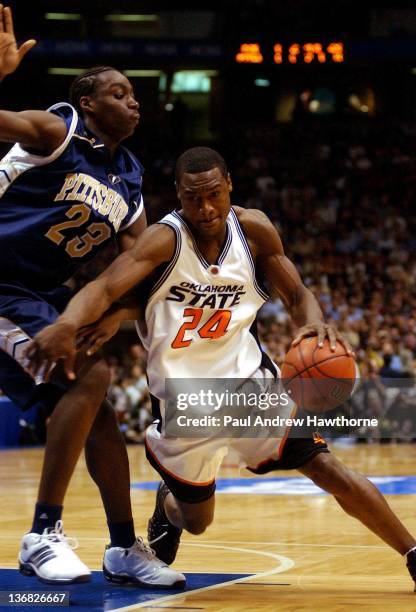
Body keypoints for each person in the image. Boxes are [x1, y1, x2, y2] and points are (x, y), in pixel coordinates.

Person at [26, 146, 416, 588]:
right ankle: (170, 504)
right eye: (194, 198)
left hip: (250, 383)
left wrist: (312, 325)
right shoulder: (164, 240)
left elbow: (297, 294)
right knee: (196, 521)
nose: (206, 207)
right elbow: (105, 286)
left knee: (326, 468)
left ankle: (412, 552)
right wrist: (71, 322)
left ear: (229, 184)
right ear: (178, 195)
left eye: (214, 194)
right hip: (185, 398)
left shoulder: (253, 230)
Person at [0, 5, 184, 588]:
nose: (134, 102)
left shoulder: (128, 182)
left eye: (135, 96)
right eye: (121, 93)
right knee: (92, 378)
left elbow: (143, 267)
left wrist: (119, 315)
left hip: (35, 297)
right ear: (89, 104)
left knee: (97, 411)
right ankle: (43, 534)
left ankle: (123, 547)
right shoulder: (58, 131)